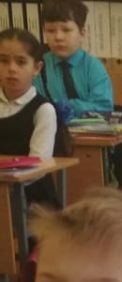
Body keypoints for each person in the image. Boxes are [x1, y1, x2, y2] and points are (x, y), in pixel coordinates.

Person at [0, 27, 60, 207]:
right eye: (3, 61)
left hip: (33, 201)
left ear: (36, 68)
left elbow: (37, 167)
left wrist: (6, 184)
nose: (11, 69)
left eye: (21, 62)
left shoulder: (43, 110)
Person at [37, 0, 113, 116]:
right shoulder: (38, 67)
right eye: (50, 31)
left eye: (66, 30)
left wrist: (67, 107)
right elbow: (34, 106)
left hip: (91, 127)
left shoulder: (93, 67)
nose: (58, 37)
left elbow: (104, 107)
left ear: (82, 33)